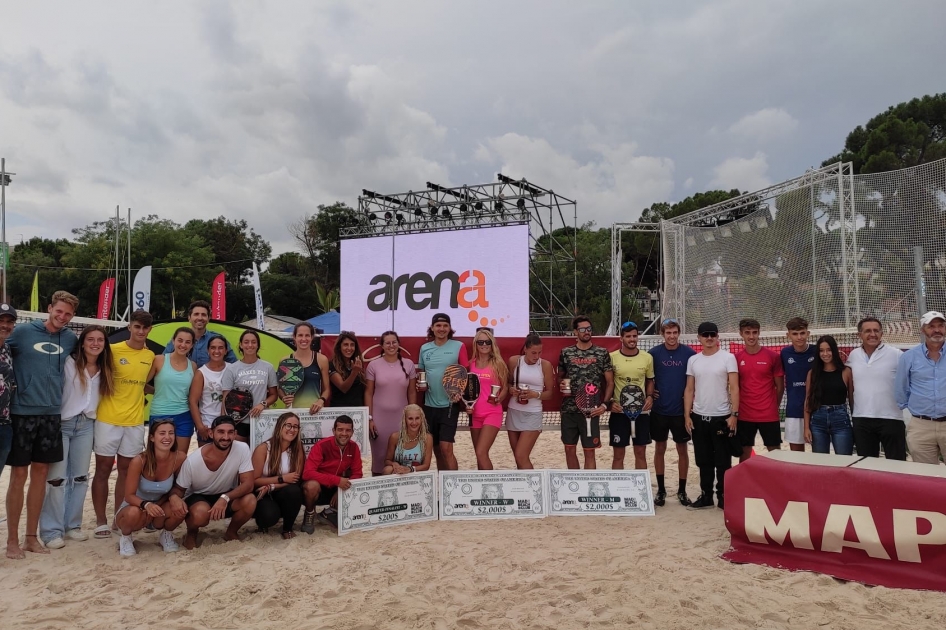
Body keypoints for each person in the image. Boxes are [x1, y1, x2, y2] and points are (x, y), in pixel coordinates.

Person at [6, 290, 79, 559]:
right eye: (58, 311)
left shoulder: (70, 338)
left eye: (68, 314)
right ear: (49, 308)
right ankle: (12, 541)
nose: (62, 317)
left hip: (51, 415)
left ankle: (30, 538)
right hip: (22, 413)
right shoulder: (23, 333)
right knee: (18, 477)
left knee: (41, 477)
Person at [39, 325, 114, 549]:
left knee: (80, 477)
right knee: (56, 479)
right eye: (90, 339)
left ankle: (73, 525)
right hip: (62, 424)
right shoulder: (68, 363)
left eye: (100, 340)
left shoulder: (105, 368)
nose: (95, 343)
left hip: (87, 425)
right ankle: (52, 531)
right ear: (82, 343)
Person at [92, 309, 156, 539]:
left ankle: (119, 518)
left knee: (126, 472)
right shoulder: (112, 350)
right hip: (108, 419)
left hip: (135, 422)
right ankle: (100, 521)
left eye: (145, 328)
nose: (140, 331)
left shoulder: (150, 356)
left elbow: (143, 385)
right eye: (137, 326)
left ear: (149, 330)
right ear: (130, 326)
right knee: (102, 470)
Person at [167, 416, 257, 549]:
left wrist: (225, 498)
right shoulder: (193, 461)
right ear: (211, 433)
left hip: (226, 495)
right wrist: (173, 497)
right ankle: (191, 533)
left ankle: (231, 532)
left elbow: (248, 484)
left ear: (235, 434)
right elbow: (179, 489)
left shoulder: (242, 448)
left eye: (230, 432)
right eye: (221, 432)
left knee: (250, 501)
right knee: (200, 514)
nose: (226, 437)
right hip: (199, 496)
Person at [684, 322, 739, 510]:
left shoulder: (728, 358)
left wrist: (734, 414)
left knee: (723, 461)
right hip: (699, 417)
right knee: (703, 459)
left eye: (712, 335)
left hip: (721, 417)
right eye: (705, 335)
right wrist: (687, 415)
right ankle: (706, 496)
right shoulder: (694, 360)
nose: (709, 338)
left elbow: (734, 388)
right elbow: (689, 389)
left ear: (717, 337)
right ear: (698, 337)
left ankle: (723, 497)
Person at [113, 419, 187, 557]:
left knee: (180, 507)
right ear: (152, 437)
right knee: (133, 513)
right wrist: (146, 505)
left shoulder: (180, 458)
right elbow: (129, 495)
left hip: (159, 507)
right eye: (162, 433)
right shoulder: (139, 460)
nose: (167, 437)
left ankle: (166, 534)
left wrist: (168, 500)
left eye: (171, 433)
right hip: (135, 506)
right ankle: (126, 538)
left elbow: (179, 487)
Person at [648, 318, 696, 506]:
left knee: (682, 449)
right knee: (659, 449)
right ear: (662, 334)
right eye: (668, 333)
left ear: (679, 333)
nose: (672, 336)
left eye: (675, 332)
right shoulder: (653, 354)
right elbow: (647, 378)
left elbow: (694, 381)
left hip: (680, 412)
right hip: (659, 411)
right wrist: (649, 392)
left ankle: (682, 491)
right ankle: (661, 491)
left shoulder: (689, 354)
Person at [557, 316, 613, 470]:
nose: (587, 332)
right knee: (569, 449)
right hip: (569, 410)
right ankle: (575, 486)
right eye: (582, 329)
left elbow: (610, 382)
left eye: (589, 329)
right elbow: (560, 378)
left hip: (591, 411)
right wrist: (562, 385)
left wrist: (604, 405)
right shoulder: (566, 353)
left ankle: (588, 486)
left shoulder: (601, 353)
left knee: (589, 452)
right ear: (575, 332)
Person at [848, 317, 906, 459]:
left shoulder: (897, 354)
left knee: (897, 466)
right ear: (859, 335)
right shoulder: (853, 355)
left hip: (892, 419)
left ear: (882, 333)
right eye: (868, 331)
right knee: (868, 468)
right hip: (861, 419)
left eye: (876, 330)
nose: (872, 334)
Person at [417, 313, 468, 471]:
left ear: (449, 328)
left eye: (445, 325)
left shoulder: (459, 346)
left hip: (450, 405)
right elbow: (421, 373)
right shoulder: (424, 348)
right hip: (429, 406)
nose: (442, 329)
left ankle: (453, 483)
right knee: (437, 450)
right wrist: (420, 385)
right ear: (432, 328)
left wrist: (461, 391)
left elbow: (465, 374)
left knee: (446, 449)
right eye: (438, 325)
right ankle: (442, 481)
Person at [897, 311, 946, 465]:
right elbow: (901, 388)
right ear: (922, 330)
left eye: (941, 325)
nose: (937, 330)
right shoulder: (909, 357)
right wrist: (911, 413)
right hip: (921, 426)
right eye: (931, 326)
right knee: (927, 477)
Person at [365, 331, 417, 475]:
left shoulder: (409, 364)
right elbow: (368, 392)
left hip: (401, 418)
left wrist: (412, 417)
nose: (391, 345)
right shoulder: (373, 365)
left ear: (399, 344)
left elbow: (412, 392)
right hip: (379, 418)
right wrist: (369, 418)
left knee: (401, 456)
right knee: (379, 457)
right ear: (382, 345)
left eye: (394, 342)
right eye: (387, 343)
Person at [300, 415, 363, 533]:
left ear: (352, 432)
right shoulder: (322, 445)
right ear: (334, 431)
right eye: (340, 429)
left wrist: (340, 491)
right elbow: (307, 473)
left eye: (348, 430)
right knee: (311, 486)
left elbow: (357, 474)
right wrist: (336, 480)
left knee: (353, 487)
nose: (344, 433)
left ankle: (328, 513)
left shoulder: (354, 447)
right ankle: (309, 513)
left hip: (336, 487)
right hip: (319, 486)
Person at [735, 318, 784, 462]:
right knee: (744, 453)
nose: (751, 336)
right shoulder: (736, 358)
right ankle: (744, 484)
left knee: (775, 453)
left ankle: (777, 484)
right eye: (747, 333)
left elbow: (780, 386)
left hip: (768, 414)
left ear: (759, 333)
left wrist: (773, 406)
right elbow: (735, 387)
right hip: (745, 414)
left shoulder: (773, 357)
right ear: (741, 334)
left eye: (754, 332)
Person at [608, 321, 654, 471]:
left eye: (634, 336)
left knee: (640, 452)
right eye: (628, 336)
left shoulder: (647, 358)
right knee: (618, 455)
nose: (632, 339)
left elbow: (649, 380)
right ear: (621, 338)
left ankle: (641, 491)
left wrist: (649, 396)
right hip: (619, 412)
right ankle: (616, 489)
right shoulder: (612, 357)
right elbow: (607, 383)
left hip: (641, 412)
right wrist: (609, 402)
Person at [252, 412, 305, 539]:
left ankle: (287, 528)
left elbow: (295, 479)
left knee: (294, 491)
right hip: (262, 492)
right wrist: (281, 479)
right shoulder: (264, 448)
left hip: (278, 490)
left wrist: (272, 486)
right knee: (269, 516)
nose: (292, 430)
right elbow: (253, 480)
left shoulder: (297, 450)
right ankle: (263, 522)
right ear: (279, 427)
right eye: (288, 425)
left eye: (295, 427)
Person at [507, 334, 554, 470]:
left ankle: (534, 488)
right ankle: (523, 489)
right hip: (514, 410)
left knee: (521, 455)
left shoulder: (545, 365)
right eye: (533, 352)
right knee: (517, 458)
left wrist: (535, 394)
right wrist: (512, 390)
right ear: (525, 349)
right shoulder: (514, 361)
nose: (536, 356)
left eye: (539, 352)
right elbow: (508, 383)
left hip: (533, 412)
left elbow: (550, 394)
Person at [221, 329, 278, 442]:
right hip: (239, 422)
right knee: (240, 456)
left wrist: (262, 404)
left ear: (258, 345)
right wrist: (226, 422)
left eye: (253, 342)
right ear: (241, 345)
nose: (250, 345)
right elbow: (226, 399)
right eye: (246, 342)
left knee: (260, 456)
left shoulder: (268, 367)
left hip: (261, 421)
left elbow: (274, 395)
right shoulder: (232, 369)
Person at [804, 336, 855, 455]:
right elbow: (808, 401)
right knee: (821, 464)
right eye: (821, 350)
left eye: (828, 350)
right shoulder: (812, 374)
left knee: (844, 460)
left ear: (834, 351)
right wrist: (806, 428)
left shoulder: (846, 372)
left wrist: (855, 424)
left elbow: (852, 400)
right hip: (818, 421)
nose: (825, 354)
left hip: (841, 420)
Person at [466, 328, 508, 470]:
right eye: (480, 342)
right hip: (474, 414)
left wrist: (500, 398)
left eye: (487, 342)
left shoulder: (498, 363)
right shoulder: (470, 363)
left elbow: (505, 387)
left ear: (492, 343)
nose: (484, 345)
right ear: (475, 344)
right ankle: (482, 486)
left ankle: (492, 484)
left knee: (481, 452)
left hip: (492, 412)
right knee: (479, 455)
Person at [150, 327, 197, 452]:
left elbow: (193, 394)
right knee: (159, 458)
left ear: (192, 345)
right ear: (173, 341)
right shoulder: (159, 360)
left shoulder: (193, 366)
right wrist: (158, 391)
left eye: (187, 342)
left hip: (184, 416)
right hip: (160, 415)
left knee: (180, 458)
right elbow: (141, 384)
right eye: (180, 340)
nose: (183, 345)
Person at [163, 300, 237, 367]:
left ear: (208, 319)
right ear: (189, 318)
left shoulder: (218, 340)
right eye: (196, 314)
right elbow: (163, 361)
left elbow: (234, 365)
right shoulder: (179, 339)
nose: (200, 318)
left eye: (204, 315)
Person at [780, 317, 817, 453]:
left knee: (820, 455)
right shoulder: (785, 353)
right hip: (794, 410)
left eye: (802, 333)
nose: (799, 337)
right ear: (788, 335)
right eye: (795, 334)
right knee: (796, 457)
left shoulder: (818, 351)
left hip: (816, 410)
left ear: (808, 333)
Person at [188, 336, 232, 446]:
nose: (216, 351)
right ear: (208, 350)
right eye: (213, 348)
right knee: (206, 461)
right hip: (207, 425)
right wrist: (199, 426)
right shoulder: (201, 373)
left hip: (228, 425)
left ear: (226, 351)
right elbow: (193, 401)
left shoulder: (232, 369)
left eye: (221, 348)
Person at [278, 322, 331, 413]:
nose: (304, 339)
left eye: (307, 335)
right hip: (292, 413)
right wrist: (284, 398)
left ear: (312, 337)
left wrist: (321, 400)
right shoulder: (285, 360)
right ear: (294, 337)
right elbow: (280, 389)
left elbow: (326, 389)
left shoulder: (321, 360)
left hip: (314, 412)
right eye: (300, 335)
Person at [382, 404, 433, 474]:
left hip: (416, 472)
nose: (414, 422)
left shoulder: (427, 438)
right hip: (398, 473)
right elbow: (387, 460)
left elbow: (426, 466)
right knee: (387, 469)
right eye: (410, 419)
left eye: (417, 418)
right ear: (405, 420)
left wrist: (410, 469)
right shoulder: (395, 437)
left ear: (422, 419)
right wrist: (393, 464)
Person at [0, 304, 16, 493]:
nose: (5, 325)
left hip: (5, 424)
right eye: (1, 321)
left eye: (9, 321)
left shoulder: (9, 350)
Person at [329, 331, 366, 408]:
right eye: (346, 345)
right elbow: (343, 388)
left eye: (352, 345)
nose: (349, 348)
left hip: (358, 411)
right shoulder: (332, 365)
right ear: (339, 347)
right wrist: (354, 372)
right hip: (340, 411)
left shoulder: (358, 363)